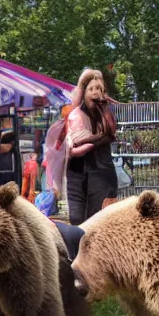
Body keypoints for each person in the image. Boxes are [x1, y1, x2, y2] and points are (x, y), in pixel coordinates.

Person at [66, 69, 118, 225]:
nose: (95, 93)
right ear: (84, 92)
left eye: (99, 89)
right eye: (91, 89)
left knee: (97, 220)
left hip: (100, 172)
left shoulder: (105, 112)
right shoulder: (76, 114)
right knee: (76, 219)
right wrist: (97, 138)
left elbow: (111, 132)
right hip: (77, 174)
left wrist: (104, 108)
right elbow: (75, 145)